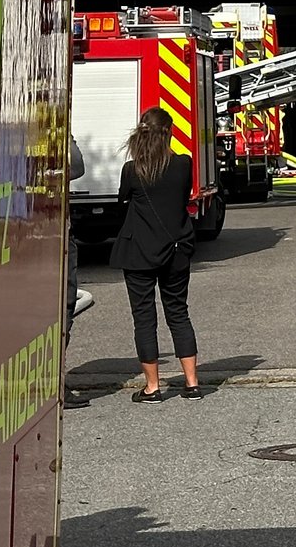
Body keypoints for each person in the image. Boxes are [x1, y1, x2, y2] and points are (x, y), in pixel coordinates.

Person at [109, 108, 203, 401]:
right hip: (176, 250)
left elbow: (123, 198)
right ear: (169, 133)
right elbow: (183, 196)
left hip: (139, 252)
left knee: (144, 317)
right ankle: (192, 384)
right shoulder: (183, 165)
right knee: (178, 312)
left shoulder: (132, 170)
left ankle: (153, 387)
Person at [64, 134, 89, 408]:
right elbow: (77, 165)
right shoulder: (52, 131)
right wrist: (68, 135)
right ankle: (53, 383)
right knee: (64, 306)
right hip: (55, 233)